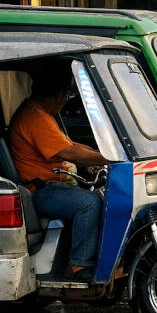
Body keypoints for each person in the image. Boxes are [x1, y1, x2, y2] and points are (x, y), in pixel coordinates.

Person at [8, 69, 107, 281]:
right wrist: (107, 158)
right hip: (40, 190)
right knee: (89, 203)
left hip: (51, 184)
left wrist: (102, 154)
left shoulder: (40, 113)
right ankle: (77, 266)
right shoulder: (35, 118)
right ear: (58, 96)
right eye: (66, 96)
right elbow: (69, 152)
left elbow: (69, 144)